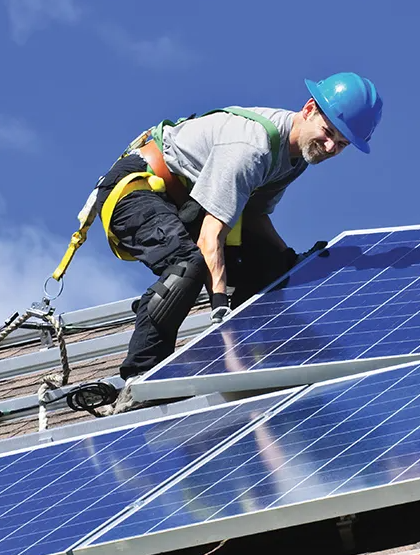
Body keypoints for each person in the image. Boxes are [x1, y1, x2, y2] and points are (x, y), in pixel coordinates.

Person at [87, 72, 383, 395]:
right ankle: (141, 378)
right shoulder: (252, 146)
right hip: (136, 189)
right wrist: (222, 319)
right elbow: (209, 239)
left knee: (273, 268)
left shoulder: (296, 159)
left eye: (340, 144)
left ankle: (257, 350)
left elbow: (253, 215)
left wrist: (289, 259)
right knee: (189, 266)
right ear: (309, 108)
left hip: (185, 205)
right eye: (328, 133)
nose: (329, 147)